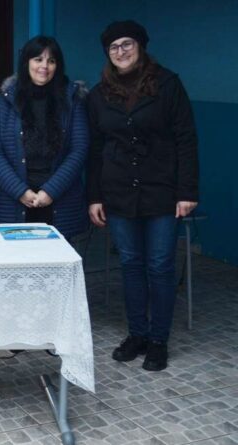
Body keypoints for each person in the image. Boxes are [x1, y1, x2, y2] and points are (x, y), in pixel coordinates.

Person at [87, 20, 199, 371]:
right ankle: (137, 333)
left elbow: (186, 139)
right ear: (108, 53)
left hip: (161, 191)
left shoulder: (167, 85)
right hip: (118, 192)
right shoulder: (99, 94)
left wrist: (188, 190)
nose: (121, 52)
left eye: (127, 44)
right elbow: (95, 148)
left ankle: (158, 340)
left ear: (140, 46)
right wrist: (94, 196)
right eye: (113, 47)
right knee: (131, 265)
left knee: (161, 266)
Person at [0, 36, 89, 239]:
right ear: (26, 62)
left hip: (59, 200)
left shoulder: (72, 99)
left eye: (51, 61)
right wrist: (20, 191)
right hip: (14, 200)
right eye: (38, 59)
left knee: (58, 266)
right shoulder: (6, 100)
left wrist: (50, 191)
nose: (45, 66)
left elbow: (79, 149)